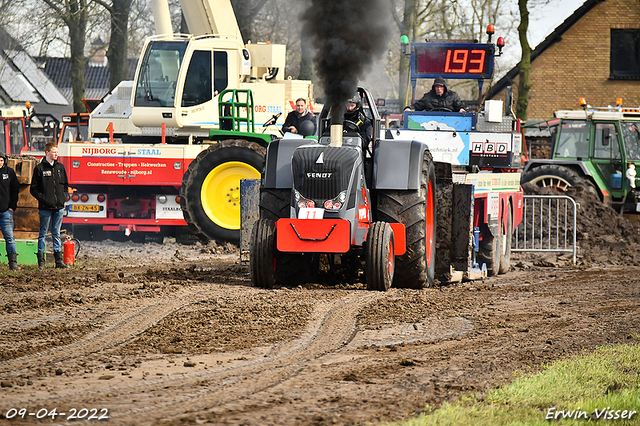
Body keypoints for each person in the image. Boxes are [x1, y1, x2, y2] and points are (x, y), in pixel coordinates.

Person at [30, 142, 70, 269]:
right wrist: (44, 199)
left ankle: (58, 261)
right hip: (45, 208)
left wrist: (63, 198)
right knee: (42, 233)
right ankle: (41, 262)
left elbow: (65, 185)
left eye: (57, 152)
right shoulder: (39, 169)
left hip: (58, 207)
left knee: (56, 233)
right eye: (53, 152)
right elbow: (33, 189)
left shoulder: (60, 168)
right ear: (47, 153)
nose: (56, 154)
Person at [0, 151, 20, 271]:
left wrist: (12, 206)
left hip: (6, 211)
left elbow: (15, 190)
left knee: (9, 237)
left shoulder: (9, 172)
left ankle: (13, 263)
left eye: (1, 160)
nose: (0, 163)